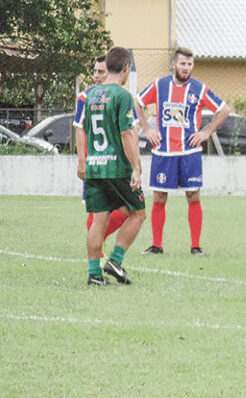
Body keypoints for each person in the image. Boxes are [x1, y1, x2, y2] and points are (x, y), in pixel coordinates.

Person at [135, 47, 230, 256]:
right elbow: (138, 102)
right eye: (183, 64)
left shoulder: (199, 89)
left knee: (193, 196)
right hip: (164, 152)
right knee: (159, 197)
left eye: (190, 64)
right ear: (174, 65)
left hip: (189, 153)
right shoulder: (160, 85)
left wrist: (206, 132)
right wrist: (147, 129)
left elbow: (224, 110)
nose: (186, 68)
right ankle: (156, 245)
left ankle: (196, 247)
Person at [76, 46, 146, 285]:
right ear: (126, 69)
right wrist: (135, 168)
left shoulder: (91, 95)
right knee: (138, 213)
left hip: (95, 166)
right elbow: (127, 133)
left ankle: (94, 274)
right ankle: (115, 261)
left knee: (99, 220)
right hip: (116, 167)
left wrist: (83, 160)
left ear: (108, 67)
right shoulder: (122, 96)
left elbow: (82, 129)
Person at [74, 55, 129, 252]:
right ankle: (98, 252)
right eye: (95, 71)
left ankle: (98, 240)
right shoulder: (86, 97)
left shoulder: (120, 96)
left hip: (115, 163)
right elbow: (79, 128)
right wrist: (82, 160)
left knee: (128, 207)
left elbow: (127, 132)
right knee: (97, 209)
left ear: (111, 72)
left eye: (101, 72)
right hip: (95, 163)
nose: (96, 76)